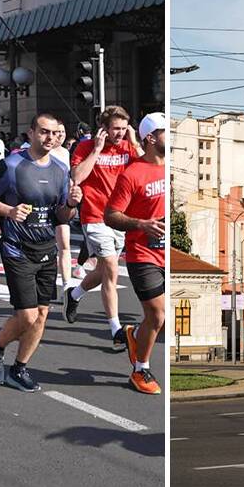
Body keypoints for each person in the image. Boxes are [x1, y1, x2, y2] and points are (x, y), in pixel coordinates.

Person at [0, 112, 82, 392]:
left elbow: (60, 216)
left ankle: (19, 368)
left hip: (46, 249)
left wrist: (71, 205)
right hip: (17, 248)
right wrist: (9, 211)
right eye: (44, 132)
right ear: (32, 133)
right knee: (27, 315)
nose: (50, 138)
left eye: (55, 133)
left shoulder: (60, 171)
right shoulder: (11, 165)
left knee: (43, 314)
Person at [65, 106, 142, 349]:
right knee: (110, 267)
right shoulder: (86, 147)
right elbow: (77, 176)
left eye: (123, 129)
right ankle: (116, 329)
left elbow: (147, 170)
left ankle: (74, 294)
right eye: (115, 129)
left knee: (104, 271)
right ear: (104, 129)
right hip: (95, 216)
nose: (119, 134)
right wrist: (97, 150)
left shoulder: (128, 147)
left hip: (120, 217)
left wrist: (135, 141)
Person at [105, 113, 167, 395]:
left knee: (159, 320)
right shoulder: (133, 173)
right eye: (166, 131)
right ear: (151, 138)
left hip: (170, 253)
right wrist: (141, 224)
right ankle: (140, 368)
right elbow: (111, 215)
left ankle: (133, 336)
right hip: (143, 253)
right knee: (156, 315)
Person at [49, 122, 74, 291]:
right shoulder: (44, 152)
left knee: (65, 245)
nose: (60, 135)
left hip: (62, 204)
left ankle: (66, 285)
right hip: (44, 203)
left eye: (63, 132)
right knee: (46, 248)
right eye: (57, 132)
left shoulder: (65, 152)